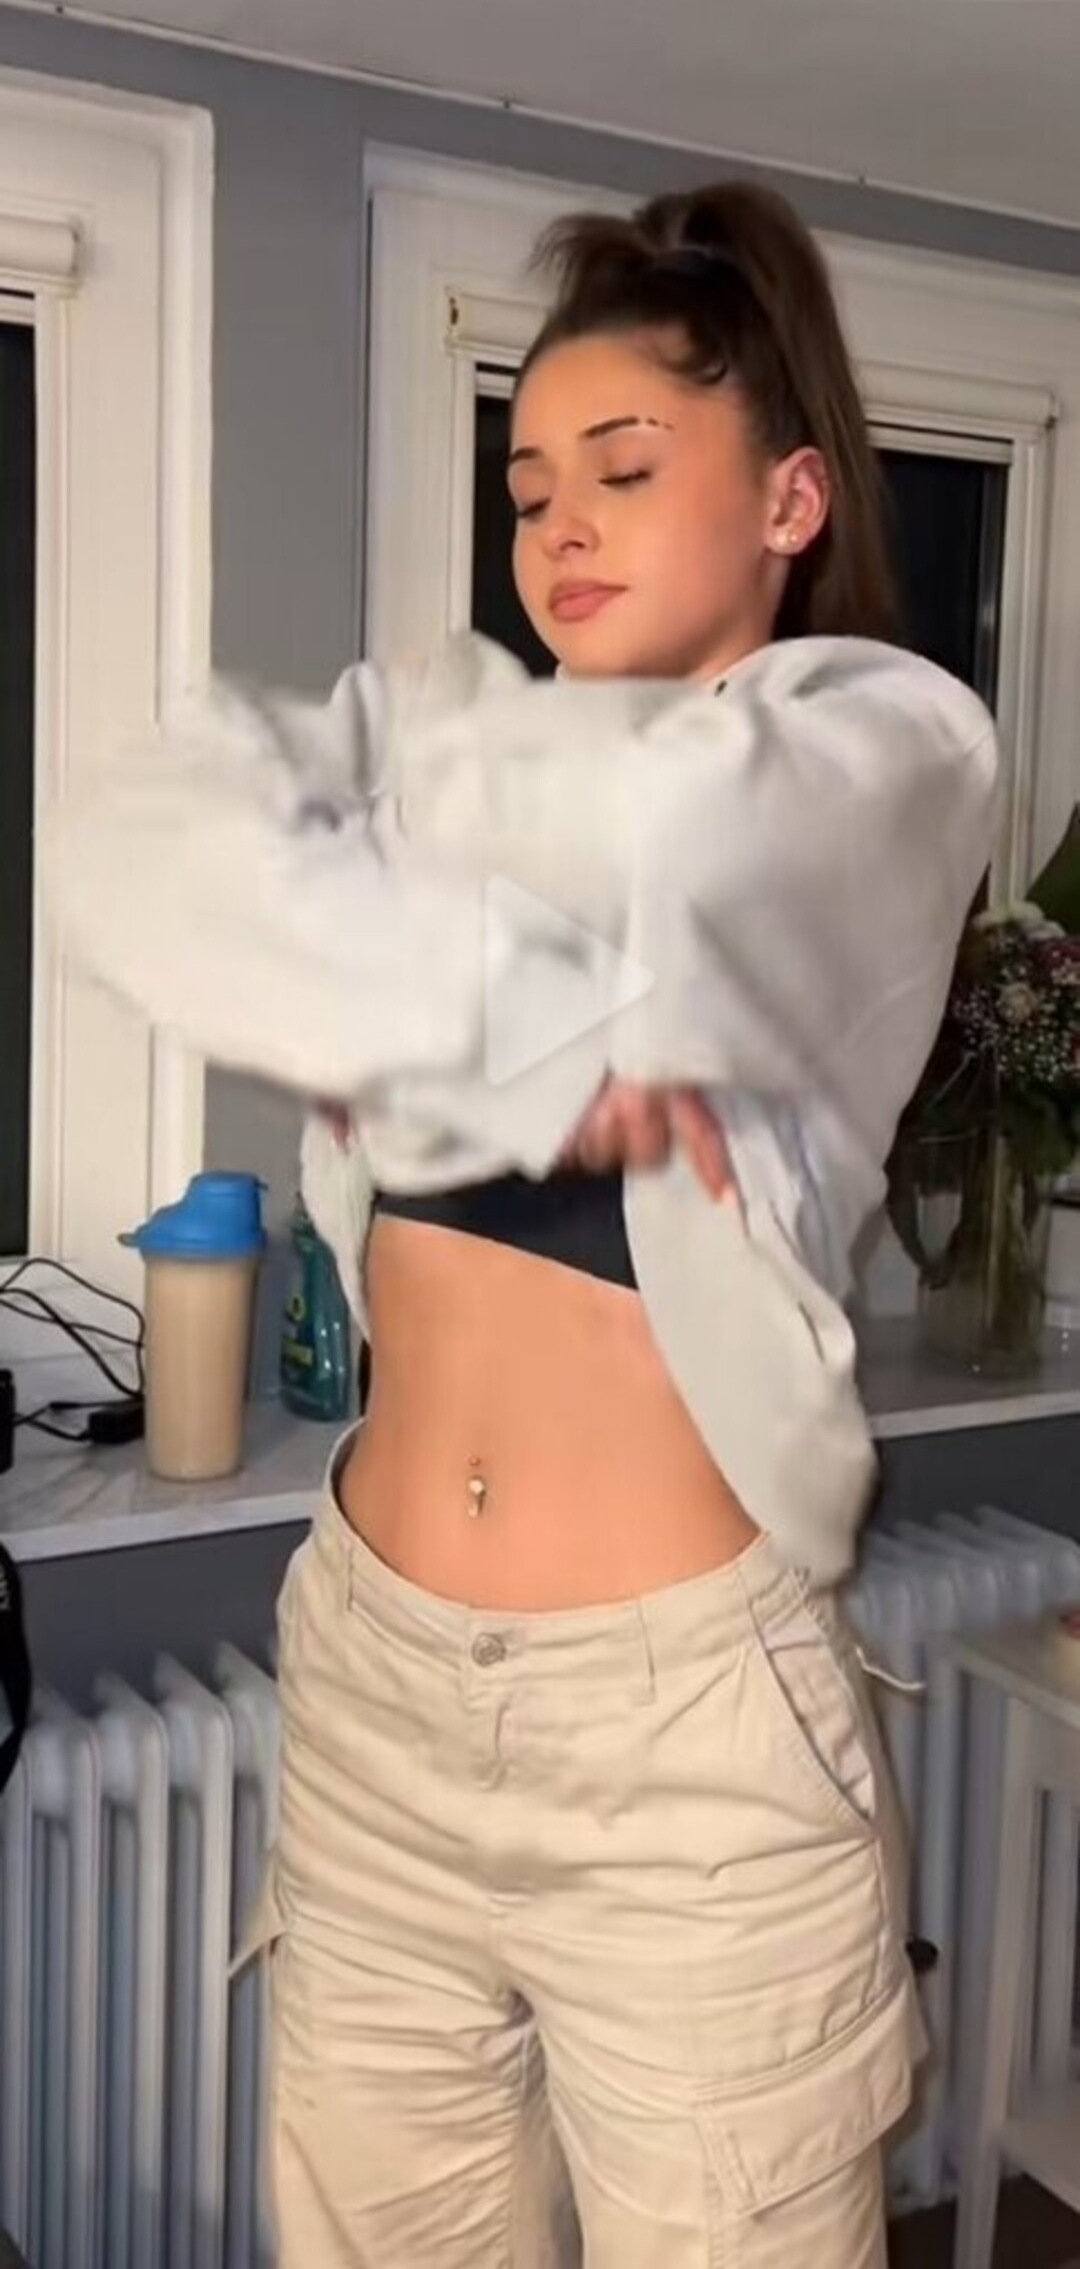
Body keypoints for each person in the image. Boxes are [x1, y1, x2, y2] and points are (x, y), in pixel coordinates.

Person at [48, 181, 998, 2266]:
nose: (560, 527)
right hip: (378, 1680)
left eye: (628, 470)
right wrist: (492, 992)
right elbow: (126, 841)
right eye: (531, 486)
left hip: (684, 1740)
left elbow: (697, 850)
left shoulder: (886, 753)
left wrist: (383, 923)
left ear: (790, 500)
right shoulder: (461, 761)